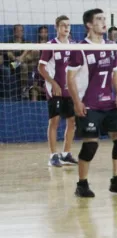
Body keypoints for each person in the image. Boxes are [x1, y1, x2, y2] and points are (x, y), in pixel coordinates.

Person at [66, 8, 117, 198]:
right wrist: (77, 102)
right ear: (89, 24)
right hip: (88, 104)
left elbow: (115, 72)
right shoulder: (80, 48)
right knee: (91, 145)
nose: (104, 22)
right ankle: (82, 184)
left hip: (109, 103)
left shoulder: (111, 46)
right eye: (99, 19)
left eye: (104, 18)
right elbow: (70, 78)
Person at [38, 15, 77, 167]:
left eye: (68, 25)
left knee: (72, 121)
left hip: (69, 90)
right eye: (63, 25)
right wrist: (53, 83)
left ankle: (66, 154)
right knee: (54, 121)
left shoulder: (74, 45)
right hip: (55, 89)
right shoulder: (50, 45)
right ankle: (53, 155)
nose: (66, 28)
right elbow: (41, 68)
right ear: (56, 27)